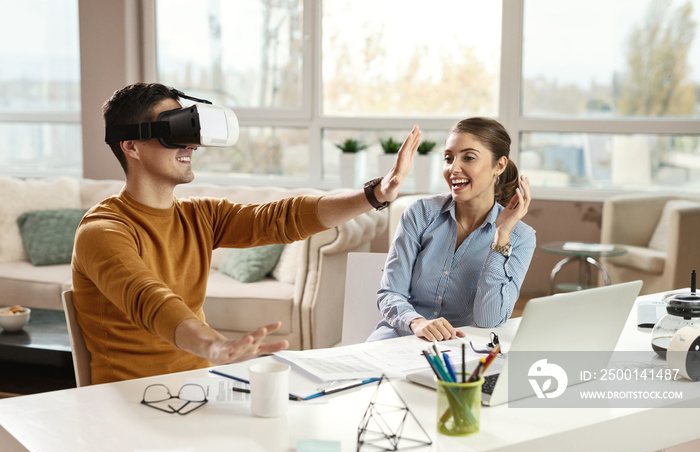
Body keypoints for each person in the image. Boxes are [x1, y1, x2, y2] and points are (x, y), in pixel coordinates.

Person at [72, 82, 421, 384]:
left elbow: (281, 217)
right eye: (175, 131)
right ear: (131, 146)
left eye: (191, 132)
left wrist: (375, 194)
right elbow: (150, 300)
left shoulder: (199, 216)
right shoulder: (103, 231)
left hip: (198, 387)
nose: (191, 145)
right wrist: (214, 345)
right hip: (129, 399)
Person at [367, 117, 535, 342]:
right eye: (448, 158)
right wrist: (417, 323)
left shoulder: (520, 237)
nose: (453, 168)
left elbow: (490, 319)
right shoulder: (420, 214)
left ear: (499, 165)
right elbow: (390, 294)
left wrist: (501, 239)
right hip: (401, 337)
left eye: (469, 157)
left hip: (460, 351)